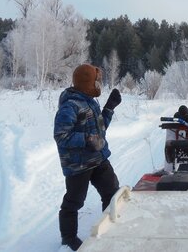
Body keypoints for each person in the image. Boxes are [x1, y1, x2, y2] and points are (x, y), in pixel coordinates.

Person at [53, 63, 122, 251]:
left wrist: (109, 107)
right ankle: (68, 238)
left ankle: (109, 227)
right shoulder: (70, 106)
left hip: (98, 159)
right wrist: (87, 139)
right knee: (74, 201)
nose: (99, 85)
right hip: (78, 165)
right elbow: (61, 136)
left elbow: (101, 128)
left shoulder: (90, 102)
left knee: (112, 192)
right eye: (96, 82)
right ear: (86, 83)